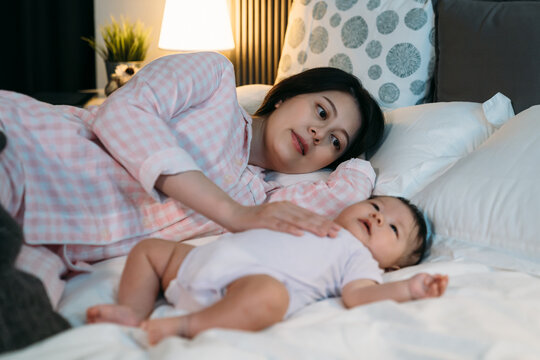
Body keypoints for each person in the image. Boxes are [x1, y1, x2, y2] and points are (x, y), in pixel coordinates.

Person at [0, 51, 384, 306]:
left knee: (31, 310)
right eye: (321, 112)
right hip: (30, 151)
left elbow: (338, 202)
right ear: (285, 96)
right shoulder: (216, 79)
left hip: (52, 245)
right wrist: (230, 213)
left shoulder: (259, 200)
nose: (320, 135)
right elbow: (122, 111)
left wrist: (360, 161)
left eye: (335, 141)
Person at [87, 196, 448, 345]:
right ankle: (133, 309)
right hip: (201, 263)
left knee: (271, 296)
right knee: (149, 250)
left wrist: (408, 289)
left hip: (244, 289)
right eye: (374, 205)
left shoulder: (360, 259)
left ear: (394, 264)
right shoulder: (313, 218)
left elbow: (360, 295)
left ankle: (182, 325)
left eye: (393, 229)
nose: (378, 217)